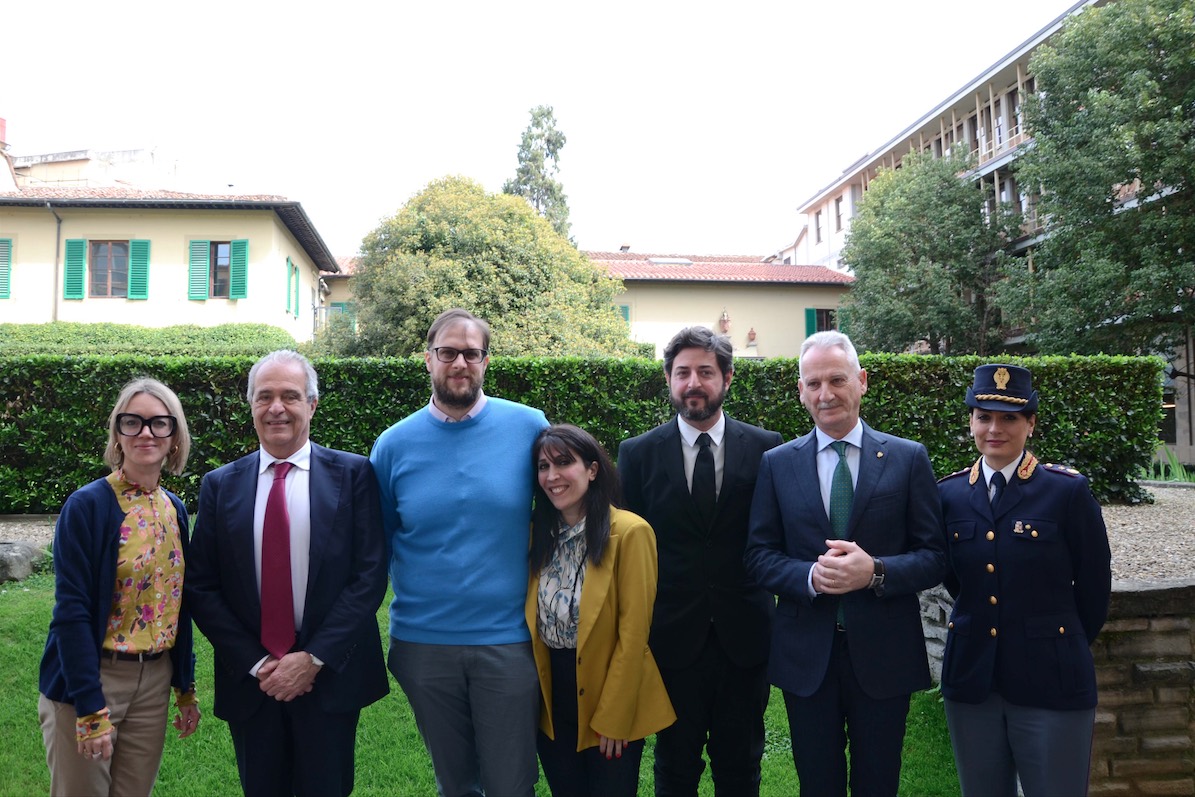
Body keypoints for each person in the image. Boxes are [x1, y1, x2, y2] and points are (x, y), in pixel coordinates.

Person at [744, 330, 947, 797]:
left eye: (837, 379)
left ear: (862, 381)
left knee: (879, 782)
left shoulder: (907, 458)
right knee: (818, 783)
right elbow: (758, 555)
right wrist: (809, 576)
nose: (825, 393)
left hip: (884, 653)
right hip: (806, 657)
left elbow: (935, 557)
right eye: (812, 383)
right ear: (800, 391)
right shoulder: (777, 464)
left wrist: (875, 571)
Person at [186, 350, 388, 797]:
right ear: (252, 406)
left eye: (290, 396)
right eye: (265, 397)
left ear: (312, 405)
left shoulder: (354, 475)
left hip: (330, 674)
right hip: (252, 679)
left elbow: (369, 575)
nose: (276, 407)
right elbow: (202, 585)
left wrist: (312, 658)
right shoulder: (220, 485)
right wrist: (259, 663)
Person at [370, 308, 549, 797]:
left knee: (511, 784)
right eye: (448, 352)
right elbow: (375, 547)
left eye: (471, 353)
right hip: (423, 645)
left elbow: (564, 514)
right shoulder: (391, 446)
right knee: (457, 785)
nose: (459, 362)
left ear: (486, 362)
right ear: (428, 359)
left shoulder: (529, 427)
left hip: (510, 641)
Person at [617, 326, 783, 797]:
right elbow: (628, 553)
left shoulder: (768, 448)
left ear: (727, 378)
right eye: (683, 372)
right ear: (669, 379)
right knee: (674, 767)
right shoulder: (638, 454)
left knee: (741, 766)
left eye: (706, 372)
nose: (694, 383)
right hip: (670, 640)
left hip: (745, 638)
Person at [937, 364, 1111, 797]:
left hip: (1051, 678)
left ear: (1030, 423)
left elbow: (1094, 589)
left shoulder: (1066, 491)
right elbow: (956, 580)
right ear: (971, 422)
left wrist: (1056, 640)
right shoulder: (949, 494)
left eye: (1009, 417)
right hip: (973, 680)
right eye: (984, 416)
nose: (995, 428)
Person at [38, 377, 201, 797]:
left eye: (159, 423)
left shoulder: (174, 509)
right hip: (91, 679)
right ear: (118, 434)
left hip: (154, 680)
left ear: (174, 438)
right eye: (133, 422)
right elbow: (71, 611)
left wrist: (184, 686)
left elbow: (177, 603)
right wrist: (90, 708)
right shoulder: (87, 506)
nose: (146, 432)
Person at [527, 424, 676, 796]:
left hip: (608, 693)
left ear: (592, 469)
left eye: (564, 463)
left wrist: (614, 717)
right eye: (543, 467)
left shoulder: (629, 532)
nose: (553, 476)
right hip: (551, 699)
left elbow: (634, 634)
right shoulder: (536, 535)